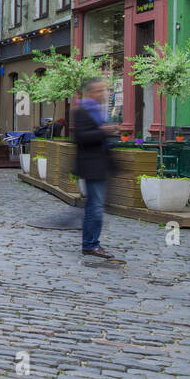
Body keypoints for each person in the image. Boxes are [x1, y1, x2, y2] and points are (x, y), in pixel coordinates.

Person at [73, 77, 123, 261]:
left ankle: (91, 242)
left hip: (99, 165)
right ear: (90, 93)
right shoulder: (83, 110)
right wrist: (104, 131)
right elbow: (80, 137)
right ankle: (90, 245)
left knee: (95, 206)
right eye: (100, 91)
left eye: (104, 90)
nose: (104, 94)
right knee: (95, 207)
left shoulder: (97, 112)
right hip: (91, 165)